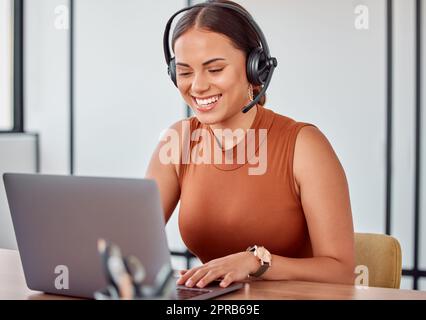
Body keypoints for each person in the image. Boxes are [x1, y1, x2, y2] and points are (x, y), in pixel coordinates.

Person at [146, 0, 355, 289]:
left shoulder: (304, 146)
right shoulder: (177, 142)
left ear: (255, 70)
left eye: (215, 69)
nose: (197, 86)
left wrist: (257, 263)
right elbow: (132, 241)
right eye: (184, 72)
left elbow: (341, 271)